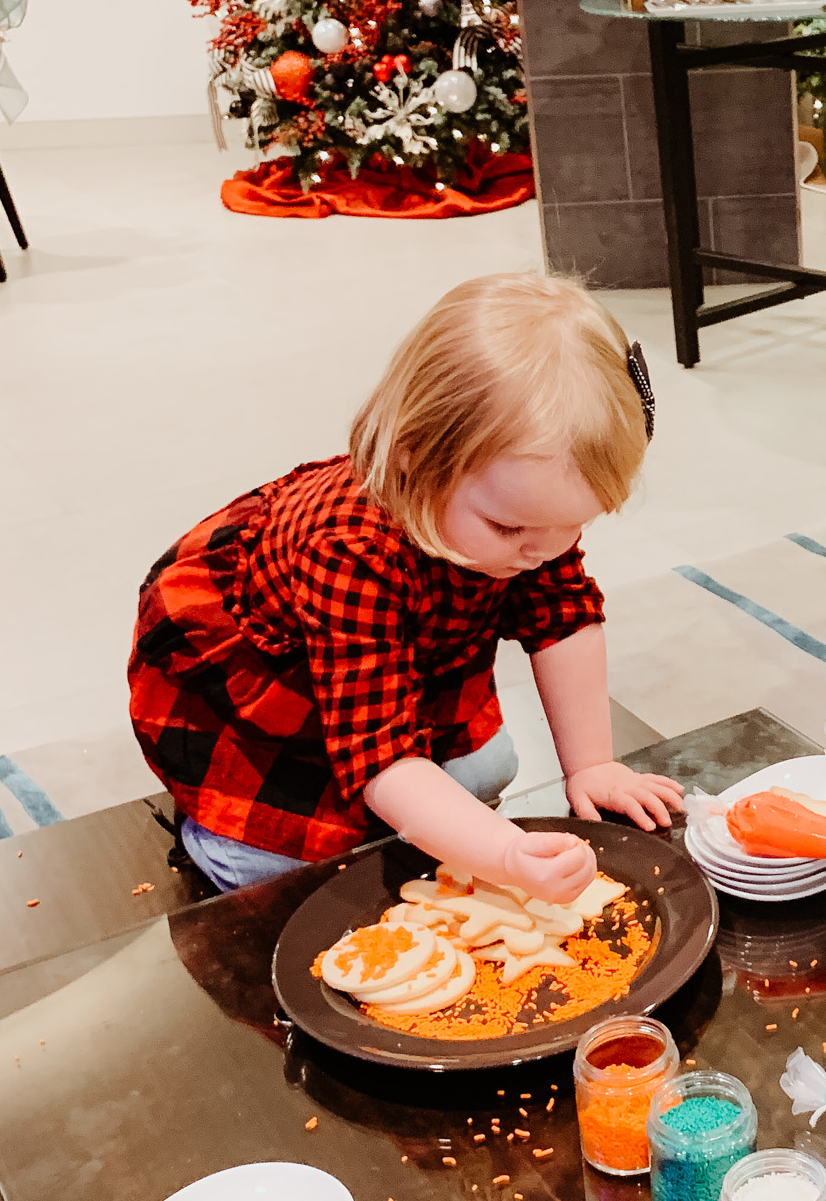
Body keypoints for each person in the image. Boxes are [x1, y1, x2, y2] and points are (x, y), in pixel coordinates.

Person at [129, 272, 681, 898]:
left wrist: (594, 765)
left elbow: (564, 617)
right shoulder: (347, 549)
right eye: (510, 527)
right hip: (278, 704)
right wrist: (504, 854)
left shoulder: (531, 520)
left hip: (391, 664)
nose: (545, 550)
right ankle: (218, 843)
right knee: (286, 872)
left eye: (572, 525)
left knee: (481, 771)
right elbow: (381, 753)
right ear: (414, 459)